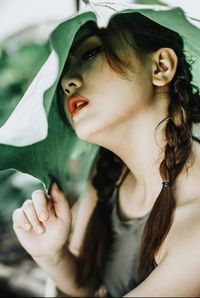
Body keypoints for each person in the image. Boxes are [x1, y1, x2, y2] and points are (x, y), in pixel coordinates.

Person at [12, 11, 200, 297]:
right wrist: (51, 254)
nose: (67, 83)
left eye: (90, 53)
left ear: (161, 66)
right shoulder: (105, 176)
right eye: (62, 74)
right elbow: (85, 284)